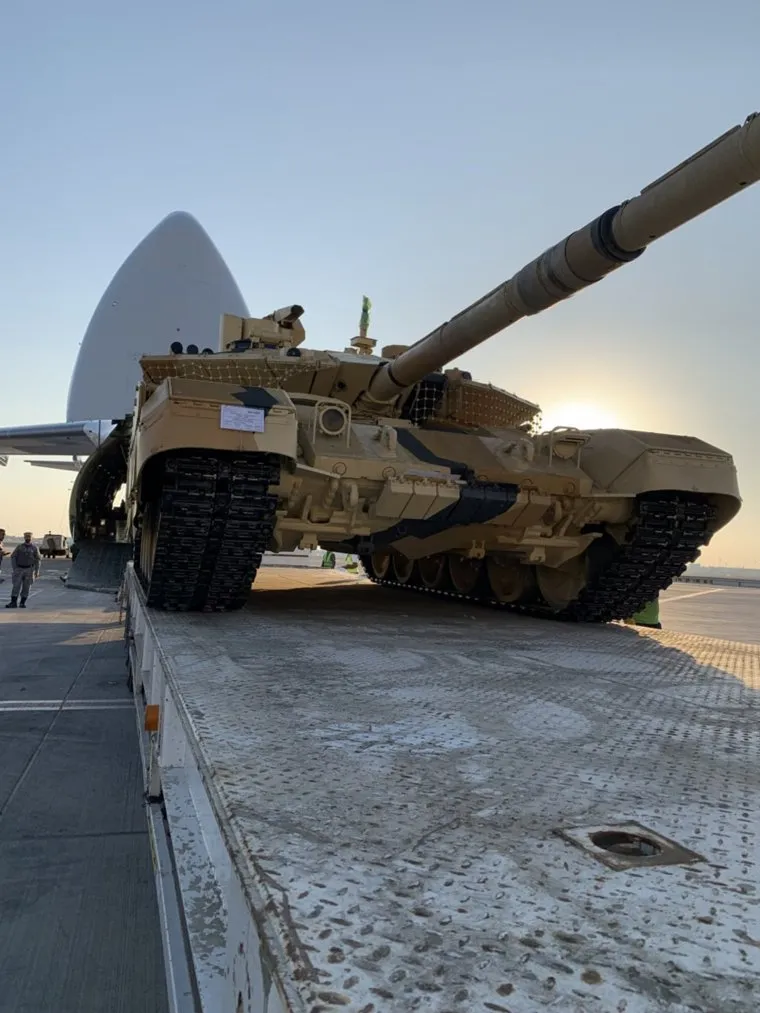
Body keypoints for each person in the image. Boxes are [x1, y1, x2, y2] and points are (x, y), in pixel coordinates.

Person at [6, 532, 41, 609]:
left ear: (31, 538)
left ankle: (22, 602)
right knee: (16, 586)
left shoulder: (34, 548)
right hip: (19, 569)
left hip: (29, 569)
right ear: (24, 537)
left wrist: (37, 571)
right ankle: (13, 602)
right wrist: (15, 568)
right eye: (26, 537)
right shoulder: (19, 547)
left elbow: (38, 560)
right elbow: (13, 557)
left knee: (27, 587)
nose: (28, 538)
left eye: (29, 537)